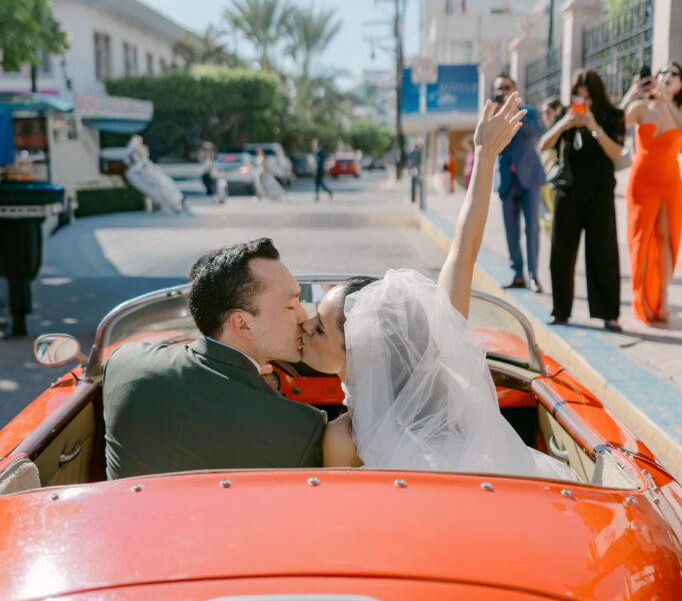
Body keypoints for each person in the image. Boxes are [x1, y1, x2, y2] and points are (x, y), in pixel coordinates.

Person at [300, 94, 573, 481]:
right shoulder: (442, 375)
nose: (304, 326)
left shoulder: (346, 440)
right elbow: (464, 250)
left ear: (357, 352)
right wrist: (484, 156)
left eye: (319, 327)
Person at [103, 239, 325, 478]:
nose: (305, 317)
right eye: (292, 306)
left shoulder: (124, 363)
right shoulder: (300, 428)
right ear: (242, 324)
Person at [538, 69, 625, 331]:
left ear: (596, 97)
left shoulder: (613, 116)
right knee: (561, 253)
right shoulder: (567, 115)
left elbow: (617, 154)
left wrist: (594, 126)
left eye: (587, 98)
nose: (582, 102)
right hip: (569, 192)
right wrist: (564, 124)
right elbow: (544, 145)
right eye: (578, 96)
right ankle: (560, 311)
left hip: (600, 194)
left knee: (604, 253)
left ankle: (609, 314)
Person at [620, 63, 682, 324]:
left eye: (674, 73)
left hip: (670, 181)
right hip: (641, 182)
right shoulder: (640, 108)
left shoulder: (677, 110)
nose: (667, 76)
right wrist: (631, 94)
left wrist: (666, 100)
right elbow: (616, 124)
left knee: (666, 238)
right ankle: (643, 300)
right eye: (663, 72)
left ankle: (663, 298)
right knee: (641, 240)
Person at [492, 74, 546, 293]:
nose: (503, 91)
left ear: (514, 89)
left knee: (532, 228)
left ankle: (534, 276)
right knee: (510, 231)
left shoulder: (529, 112)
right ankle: (518, 275)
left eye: (507, 87)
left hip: (529, 179)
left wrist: (513, 111)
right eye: (499, 89)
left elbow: (534, 132)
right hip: (506, 180)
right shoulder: (493, 115)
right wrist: (497, 115)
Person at [539, 97, 566, 236]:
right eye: (543, 113)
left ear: (557, 112)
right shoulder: (549, 135)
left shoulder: (561, 134)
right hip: (546, 188)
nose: (544, 117)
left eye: (548, 112)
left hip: (556, 187)